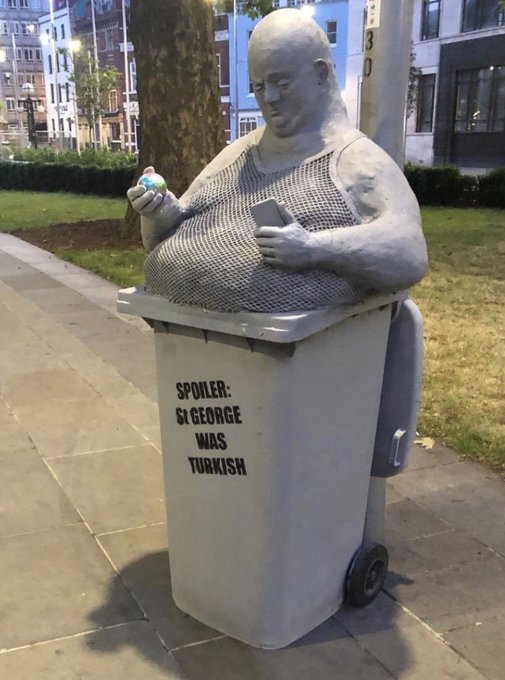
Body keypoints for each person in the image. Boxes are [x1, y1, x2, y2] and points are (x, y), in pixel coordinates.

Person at [127, 9, 428, 313]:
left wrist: (313, 248)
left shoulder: (355, 160)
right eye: (259, 87)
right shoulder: (240, 153)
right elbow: (159, 238)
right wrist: (159, 214)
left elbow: (409, 251)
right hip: (185, 325)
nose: (269, 97)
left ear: (321, 73)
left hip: (290, 336)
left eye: (281, 83)